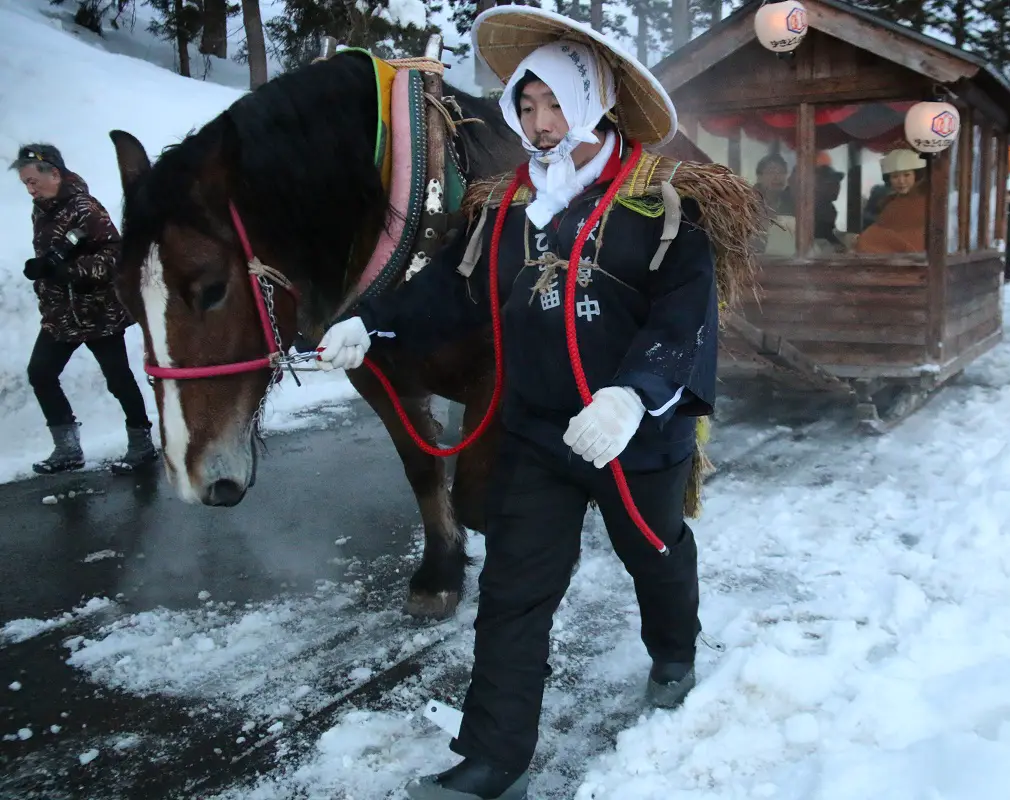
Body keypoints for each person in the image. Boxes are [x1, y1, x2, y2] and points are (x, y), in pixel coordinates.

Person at [316, 8, 763, 799]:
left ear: (592, 104)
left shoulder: (660, 206)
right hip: (536, 436)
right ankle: (493, 759)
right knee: (513, 592)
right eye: (526, 107)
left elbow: (682, 319)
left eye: (554, 104)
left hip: (634, 436)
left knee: (655, 556)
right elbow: (443, 298)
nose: (539, 122)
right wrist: (369, 323)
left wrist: (633, 395)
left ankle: (673, 653)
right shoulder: (505, 209)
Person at [11, 144, 157, 475]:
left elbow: (115, 255)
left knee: (118, 378)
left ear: (55, 174)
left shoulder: (85, 209)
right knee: (41, 373)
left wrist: (69, 271)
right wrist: (44, 269)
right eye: (25, 184)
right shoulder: (43, 210)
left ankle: (142, 444)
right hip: (61, 315)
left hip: (97, 313)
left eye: (33, 181)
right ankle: (67, 448)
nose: (30, 189)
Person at [855, 148, 928, 254]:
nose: (901, 181)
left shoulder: (924, 202)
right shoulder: (889, 203)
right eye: (895, 176)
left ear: (916, 175)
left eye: (906, 175)